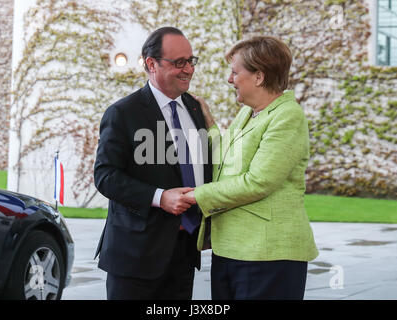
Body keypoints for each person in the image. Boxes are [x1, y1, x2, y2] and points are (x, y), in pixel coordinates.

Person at [186, 36, 319, 300]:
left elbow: (259, 181)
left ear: (259, 76)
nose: (229, 79)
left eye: (235, 72)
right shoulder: (249, 113)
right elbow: (229, 160)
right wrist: (209, 122)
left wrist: (194, 196)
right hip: (231, 250)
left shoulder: (287, 116)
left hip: (268, 255)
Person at [93, 27, 212, 300]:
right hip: (135, 255)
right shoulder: (122, 113)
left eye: (191, 61)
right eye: (179, 62)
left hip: (185, 251)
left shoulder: (195, 108)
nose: (189, 69)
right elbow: (105, 175)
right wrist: (160, 197)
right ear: (151, 64)